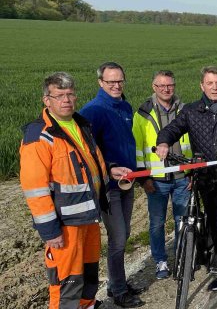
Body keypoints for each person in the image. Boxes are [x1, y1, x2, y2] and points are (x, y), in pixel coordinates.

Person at [20, 72, 133, 309]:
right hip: (65, 224)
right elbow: (35, 189)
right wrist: (50, 231)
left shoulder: (80, 124)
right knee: (66, 280)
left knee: (89, 271)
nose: (66, 100)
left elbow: (89, 162)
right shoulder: (39, 136)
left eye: (70, 94)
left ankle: (87, 304)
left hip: (88, 216)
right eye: (59, 95)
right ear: (46, 100)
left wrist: (109, 170)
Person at [155, 66, 217, 295]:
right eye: (209, 83)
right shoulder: (191, 111)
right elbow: (172, 129)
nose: (214, 87)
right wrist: (163, 142)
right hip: (207, 180)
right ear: (202, 86)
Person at [80, 61, 146, 308]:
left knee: (124, 234)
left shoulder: (125, 106)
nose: (116, 85)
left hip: (127, 183)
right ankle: (117, 290)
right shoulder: (93, 111)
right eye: (111, 82)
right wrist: (108, 168)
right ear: (100, 83)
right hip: (109, 187)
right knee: (118, 238)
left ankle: (116, 282)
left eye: (120, 81)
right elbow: (87, 153)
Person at [131, 70, 192, 281]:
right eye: (161, 86)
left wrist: (192, 172)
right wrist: (143, 178)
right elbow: (138, 148)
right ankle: (160, 260)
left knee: (181, 220)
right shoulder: (142, 114)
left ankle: (182, 257)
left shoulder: (186, 110)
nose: (166, 89)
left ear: (174, 86)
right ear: (153, 87)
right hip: (155, 179)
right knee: (157, 223)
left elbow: (192, 144)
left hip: (182, 177)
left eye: (170, 85)